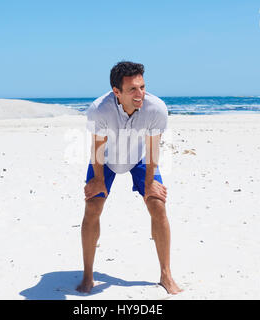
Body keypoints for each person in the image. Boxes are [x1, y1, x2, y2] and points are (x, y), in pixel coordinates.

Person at [76, 61, 182, 295]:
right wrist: (98, 180)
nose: (140, 93)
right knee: (93, 206)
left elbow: (154, 147)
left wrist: (150, 182)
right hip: (105, 159)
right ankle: (88, 276)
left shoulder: (156, 108)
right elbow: (97, 147)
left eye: (142, 87)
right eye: (133, 89)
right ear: (117, 92)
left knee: (158, 205)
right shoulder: (99, 110)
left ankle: (166, 274)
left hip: (139, 158)